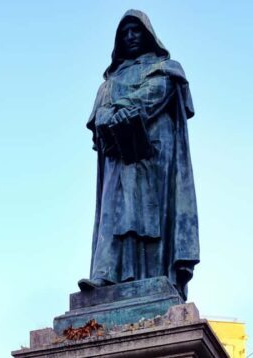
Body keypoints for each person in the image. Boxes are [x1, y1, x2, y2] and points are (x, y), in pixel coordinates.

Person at [78, 9, 199, 300]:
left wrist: (120, 108)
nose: (131, 37)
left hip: (155, 152)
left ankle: (156, 277)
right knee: (114, 209)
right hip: (119, 154)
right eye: (125, 33)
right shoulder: (109, 81)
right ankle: (106, 274)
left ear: (148, 35)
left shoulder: (166, 68)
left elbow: (156, 93)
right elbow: (97, 117)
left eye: (136, 31)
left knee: (152, 212)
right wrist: (107, 116)